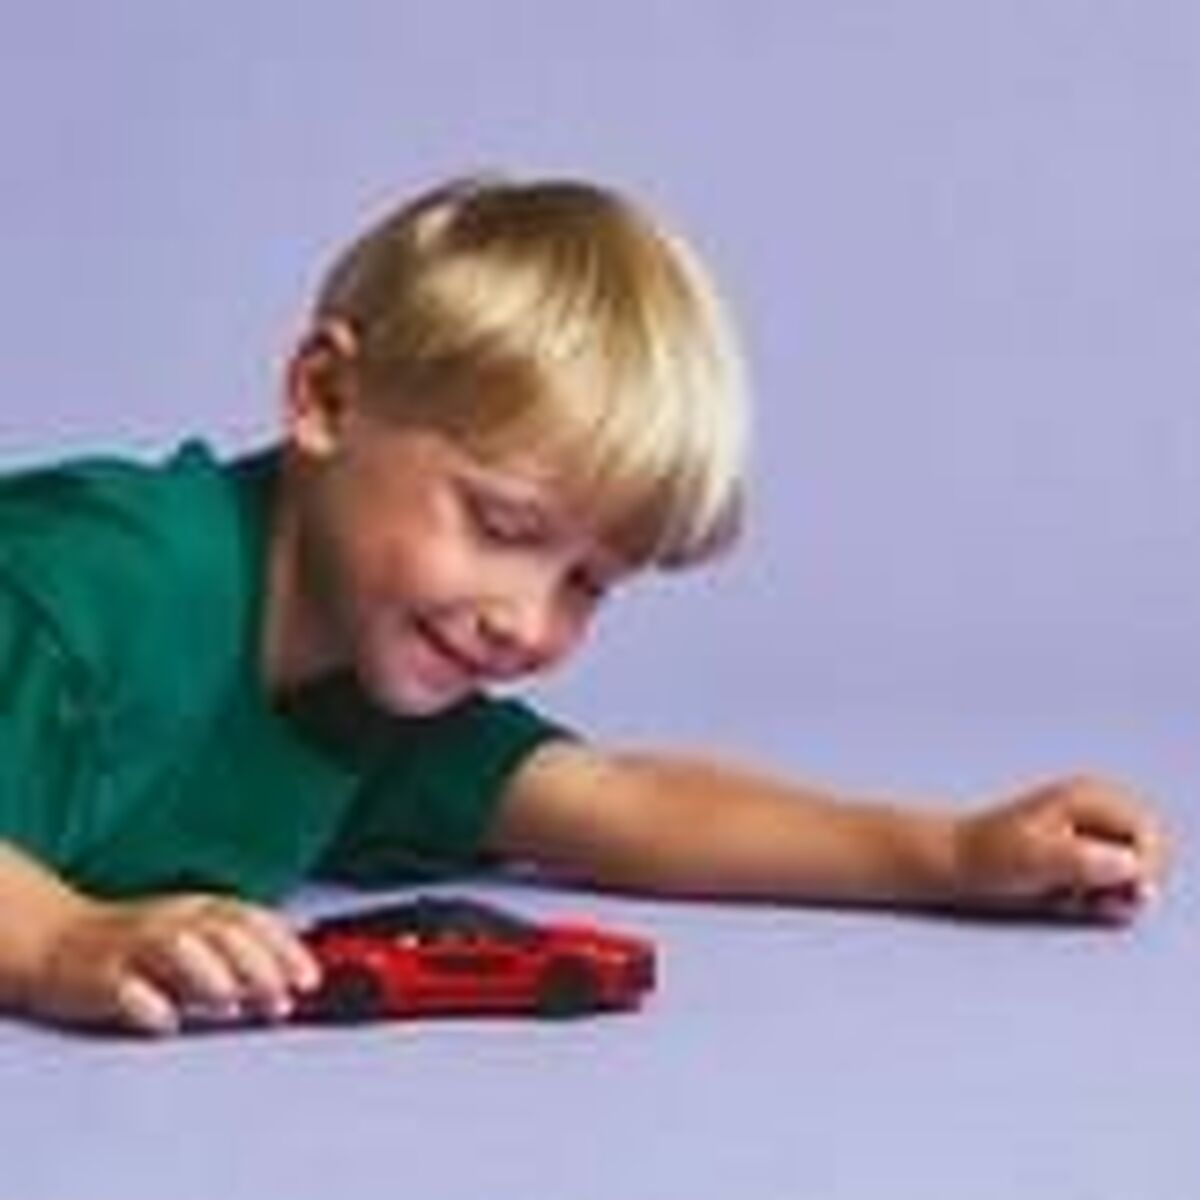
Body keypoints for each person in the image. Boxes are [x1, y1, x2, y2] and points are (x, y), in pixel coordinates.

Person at [0, 175, 1169, 1036]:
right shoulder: (100, 583)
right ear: (328, 396)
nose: (525, 620)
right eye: (502, 527)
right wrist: (57, 939)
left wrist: (951, 852)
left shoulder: (374, 679)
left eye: (588, 584)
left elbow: (622, 803)